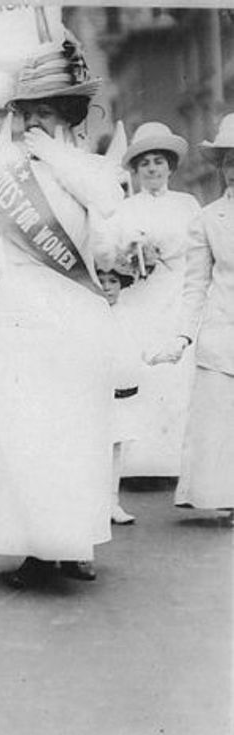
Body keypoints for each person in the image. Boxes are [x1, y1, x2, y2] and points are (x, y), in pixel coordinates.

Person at [0, 36, 124, 587]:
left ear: (67, 116)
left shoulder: (86, 169)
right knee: (27, 429)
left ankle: (75, 541)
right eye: (28, 113)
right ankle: (34, 546)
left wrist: (58, 156)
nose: (33, 123)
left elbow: (109, 213)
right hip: (21, 314)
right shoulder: (3, 175)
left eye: (46, 112)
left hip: (75, 311)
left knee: (76, 429)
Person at [149, 113, 234, 523]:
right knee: (219, 423)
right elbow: (195, 285)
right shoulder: (208, 218)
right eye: (229, 161)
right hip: (222, 334)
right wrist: (182, 336)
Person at [111, 122, 201, 479]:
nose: (152, 169)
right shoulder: (126, 209)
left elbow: (198, 254)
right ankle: (139, 464)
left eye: (158, 162)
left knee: (177, 377)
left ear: (170, 166)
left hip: (177, 294)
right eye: (145, 163)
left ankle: (175, 463)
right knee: (144, 372)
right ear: (136, 169)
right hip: (141, 297)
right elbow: (114, 256)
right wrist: (132, 252)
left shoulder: (187, 204)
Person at [98, 268, 142, 525]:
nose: (107, 287)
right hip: (93, 393)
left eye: (113, 281)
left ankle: (111, 502)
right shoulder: (87, 313)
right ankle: (89, 504)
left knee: (115, 446)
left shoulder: (128, 315)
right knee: (92, 447)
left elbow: (136, 348)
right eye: (101, 281)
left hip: (118, 393)